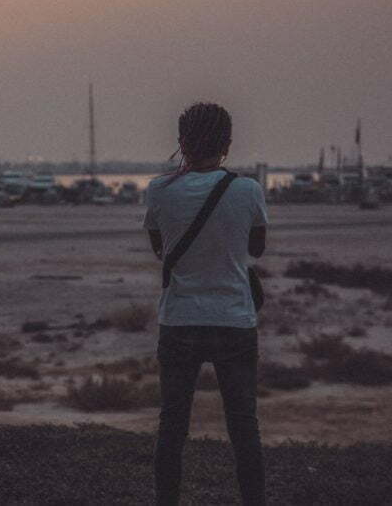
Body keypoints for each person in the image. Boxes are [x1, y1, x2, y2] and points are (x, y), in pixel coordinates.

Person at [143, 102, 268, 506]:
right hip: (234, 319)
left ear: (182, 142)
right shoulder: (247, 190)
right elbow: (257, 248)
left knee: (172, 425)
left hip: (180, 319)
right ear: (227, 144)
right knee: (244, 426)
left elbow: (160, 248)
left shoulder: (160, 190)